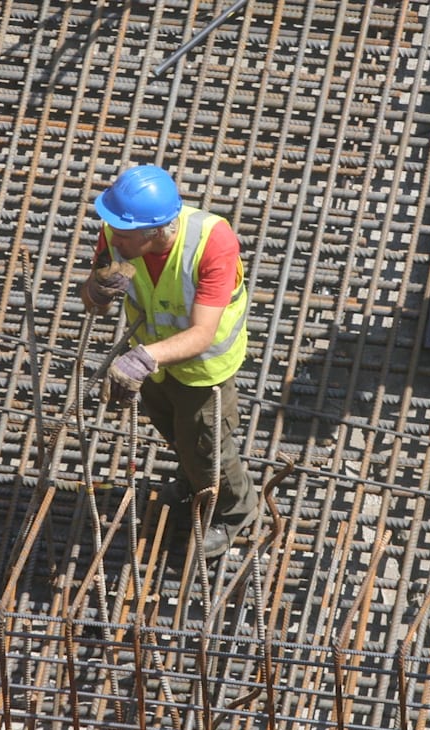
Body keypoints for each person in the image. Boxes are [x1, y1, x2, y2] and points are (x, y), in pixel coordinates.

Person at [77, 164, 258, 559]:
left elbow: (202, 333)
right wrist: (96, 290)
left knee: (208, 447)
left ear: (156, 231)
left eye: (123, 235)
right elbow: (92, 300)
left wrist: (142, 358)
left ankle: (235, 511)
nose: (113, 239)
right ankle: (195, 481)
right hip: (154, 363)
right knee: (176, 435)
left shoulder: (212, 243)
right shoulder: (121, 233)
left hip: (202, 369)